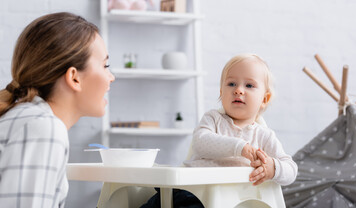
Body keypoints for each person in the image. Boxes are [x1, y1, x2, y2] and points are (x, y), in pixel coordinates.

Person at [141, 54, 297, 208]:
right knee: (157, 201)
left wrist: (273, 168)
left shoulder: (264, 135)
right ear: (221, 92)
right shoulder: (213, 119)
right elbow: (200, 142)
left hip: (230, 200)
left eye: (249, 85)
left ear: (264, 99)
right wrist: (239, 147)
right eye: (231, 84)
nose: (238, 90)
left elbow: (291, 169)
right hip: (191, 191)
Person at [0, 12, 115, 207]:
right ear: (74, 77)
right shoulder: (42, 127)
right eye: (105, 65)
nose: (111, 77)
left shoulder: (28, 118)